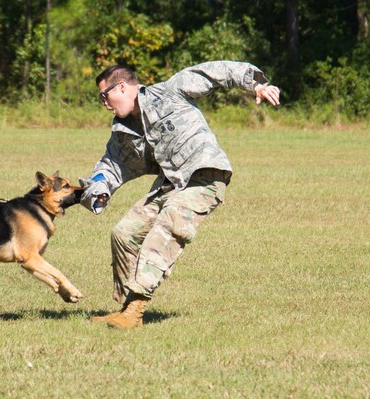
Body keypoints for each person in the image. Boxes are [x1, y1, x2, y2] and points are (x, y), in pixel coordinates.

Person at [79, 61, 280, 329]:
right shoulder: (124, 131)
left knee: (168, 224)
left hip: (205, 177)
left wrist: (256, 84)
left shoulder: (171, 90)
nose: (104, 103)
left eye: (105, 96)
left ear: (123, 87)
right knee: (123, 233)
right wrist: (98, 192)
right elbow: (109, 166)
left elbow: (214, 73)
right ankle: (127, 306)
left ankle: (135, 310)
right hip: (171, 184)